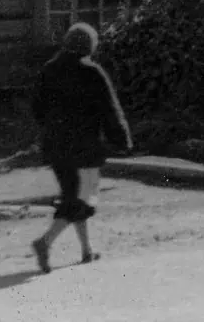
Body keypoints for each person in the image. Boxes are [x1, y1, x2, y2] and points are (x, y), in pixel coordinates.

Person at [30, 22, 135, 273]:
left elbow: (37, 109)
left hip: (55, 147)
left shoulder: (49, 69)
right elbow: (110, 110)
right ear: (89, 46)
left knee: (73, 195)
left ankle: (86, 250)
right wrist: (122, 140)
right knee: (85, 198)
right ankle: (45, 242)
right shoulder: (91, 71)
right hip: (84, 146)